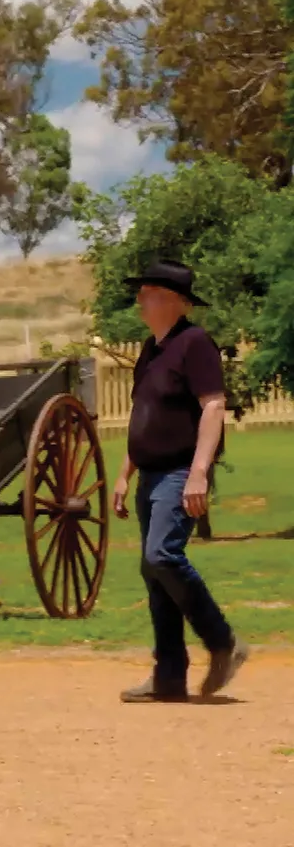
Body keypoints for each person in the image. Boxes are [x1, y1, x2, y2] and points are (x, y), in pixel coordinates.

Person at [113, 257, 249, 703]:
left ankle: (223, 641)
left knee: (162, 555)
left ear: (173, 301)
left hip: (178, 472)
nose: (140, 301)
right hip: (149, 475)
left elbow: (212, 406)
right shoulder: (150, 352)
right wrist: (123, 474)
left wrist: (198, 473)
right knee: (153, 572)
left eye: (148, 294)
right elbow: (143, 417)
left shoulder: (195, 344)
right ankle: (169, 677)